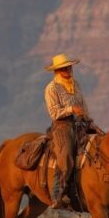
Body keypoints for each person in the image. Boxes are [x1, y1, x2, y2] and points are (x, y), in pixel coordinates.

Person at [43, 53, 97, 209]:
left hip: (80, 123)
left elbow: (83, 105)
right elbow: (54, 113)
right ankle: (57, 193)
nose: (67, 70)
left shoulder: (76, 84)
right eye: (63, 68)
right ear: (56, 71)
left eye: (68, 67)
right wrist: (71, 109)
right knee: (65, 156)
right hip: (62, 125)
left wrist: (88, 119)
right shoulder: (51, 89)